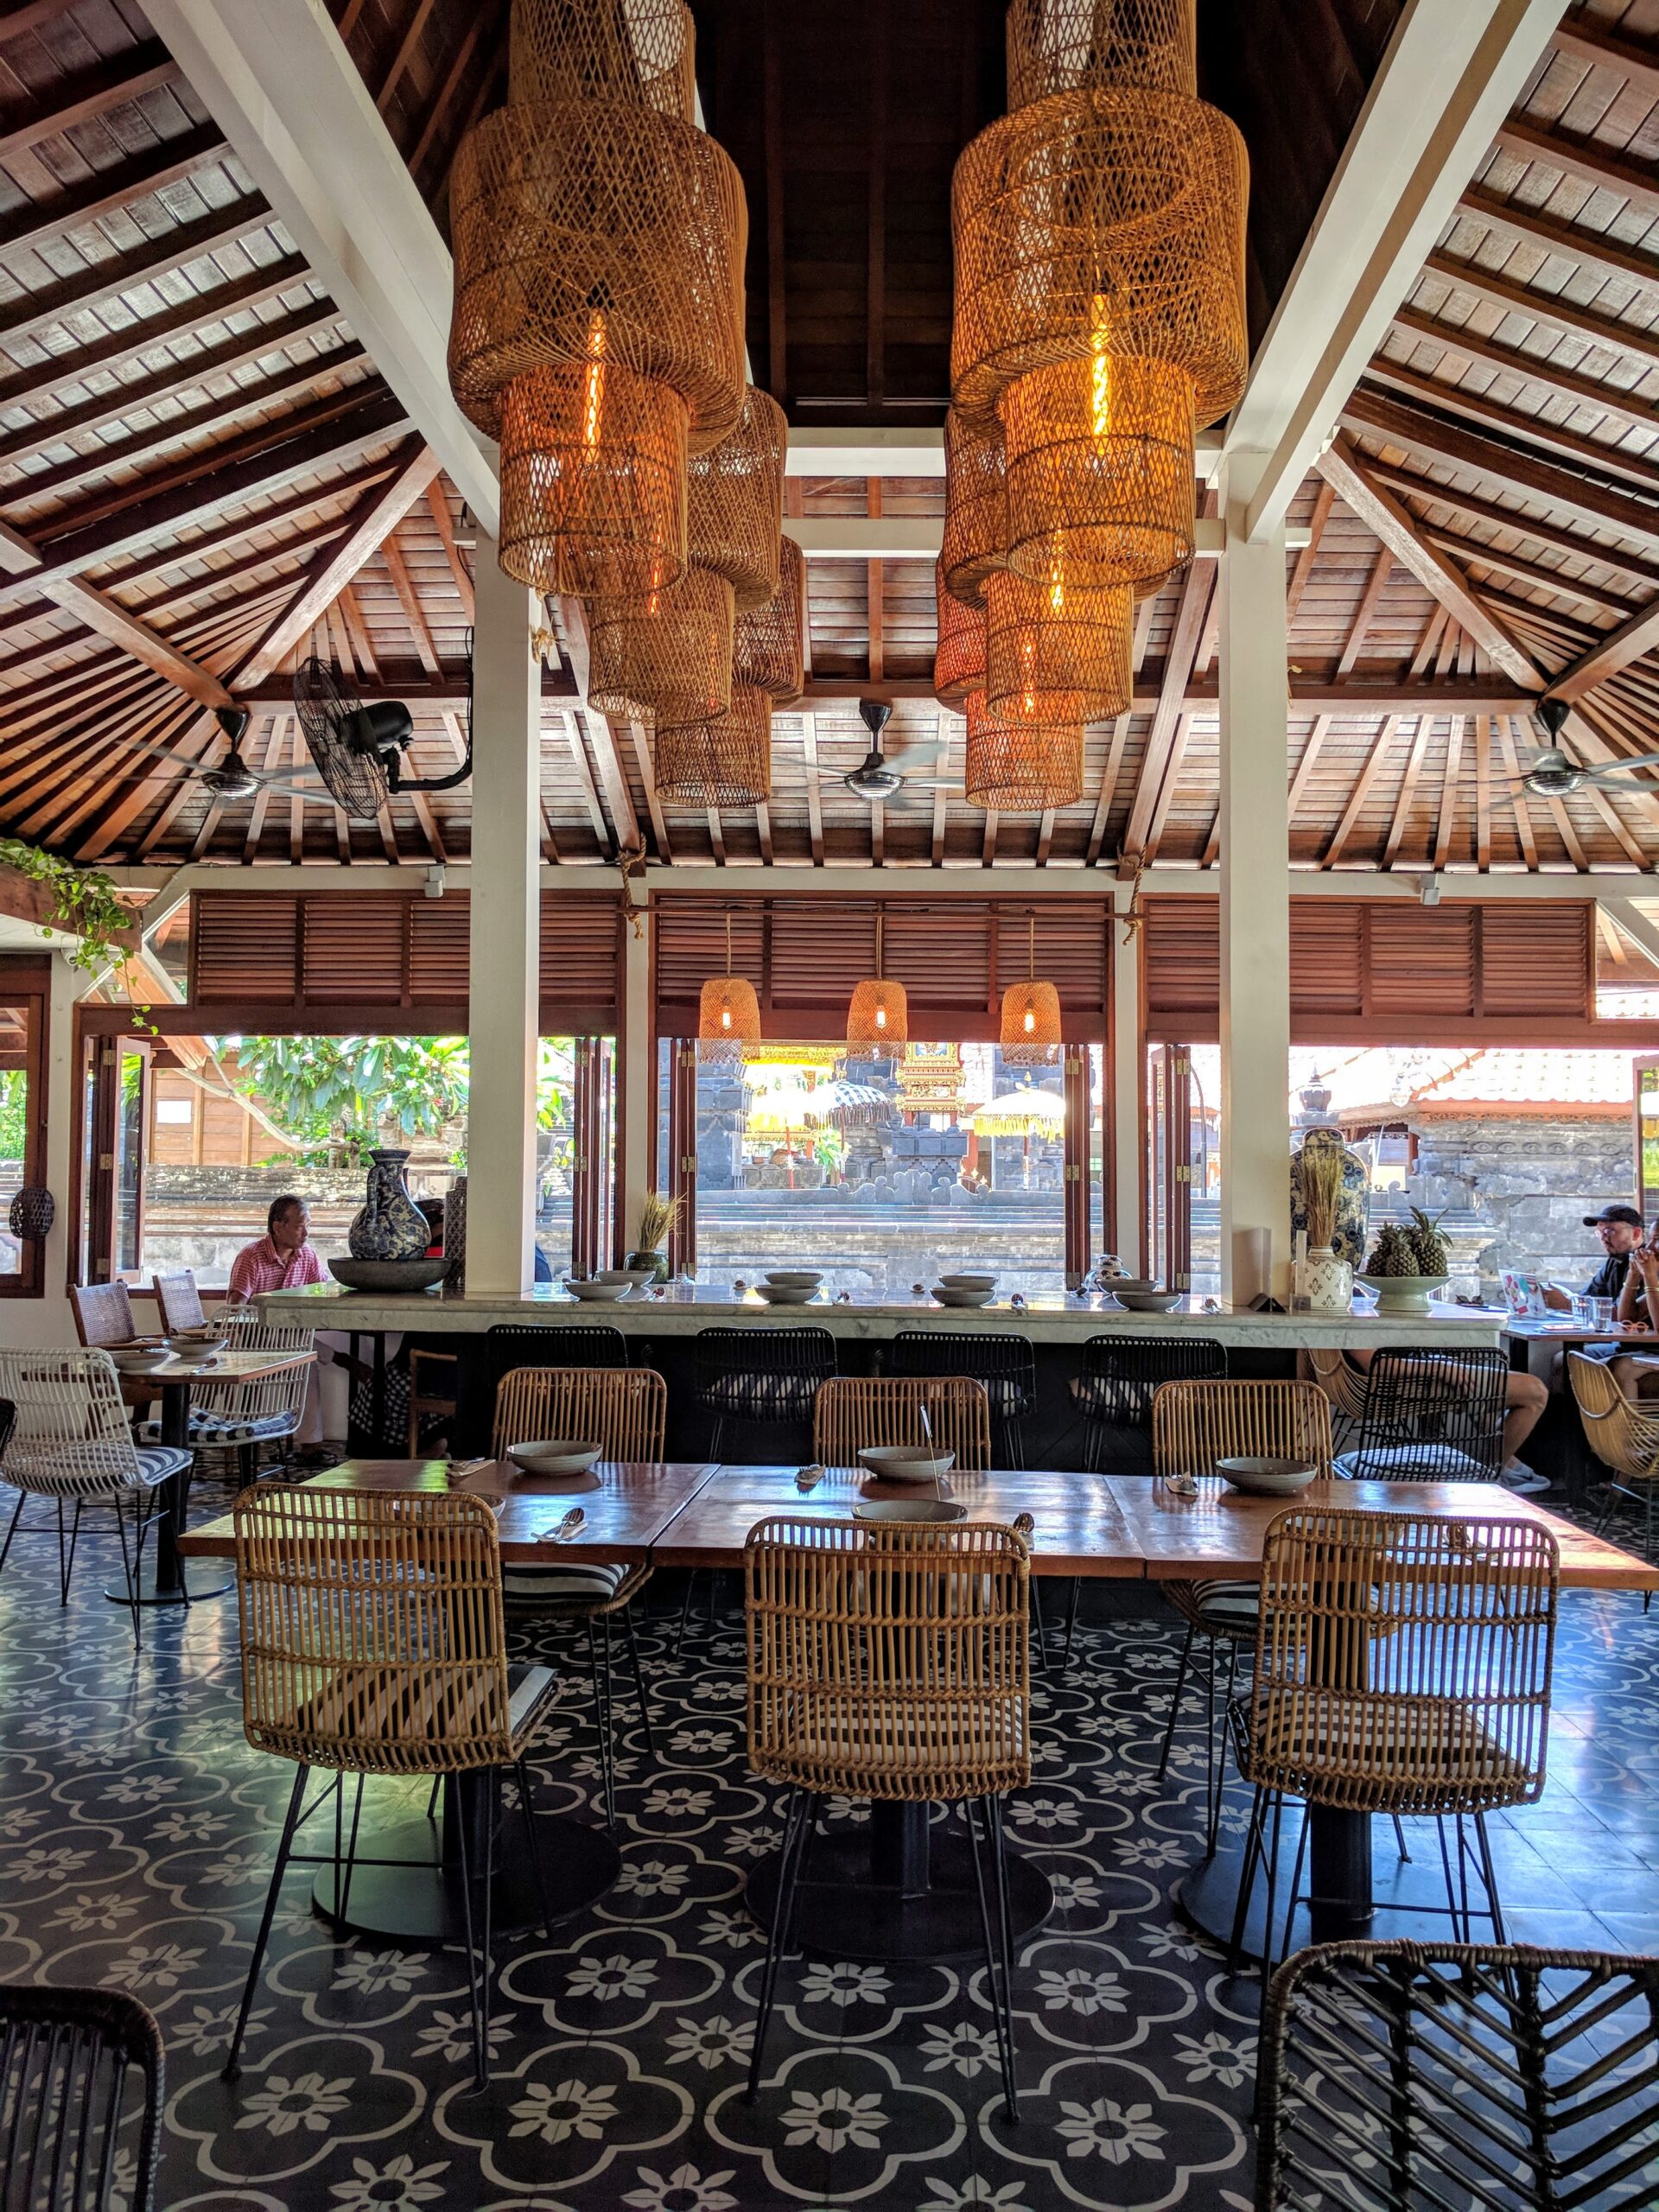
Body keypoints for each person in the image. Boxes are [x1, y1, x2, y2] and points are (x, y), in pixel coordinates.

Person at [1541, 1204, 1645, 1310]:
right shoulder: (1614, 1261)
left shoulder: (1647, 1264)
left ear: (1636, 1234)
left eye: (1609, 1231)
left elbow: (1628, 1313)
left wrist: (1568, 1305)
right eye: (1600, 1232)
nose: (1603, 1238)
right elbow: (1589, 1297)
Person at [226, 1194, 327, 1299]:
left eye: (308, 1226)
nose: (306, 1233)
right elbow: (235, 1309)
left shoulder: (308, 1255)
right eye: (299, 1227)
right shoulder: (251, 1257)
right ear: (278, 1228)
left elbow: (322, 1292)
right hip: (258, 1315)